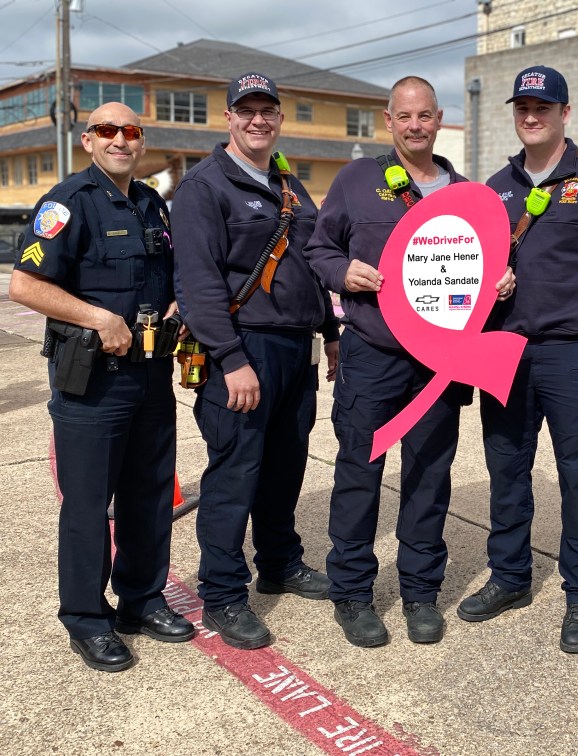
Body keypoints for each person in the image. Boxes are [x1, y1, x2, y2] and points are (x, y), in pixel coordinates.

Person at [304, 76, 513, 647]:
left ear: (438, 119)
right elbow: (319, 248)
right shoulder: (356, 180)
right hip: (373, 355)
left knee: (429, 476)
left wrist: (502, 281)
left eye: (424, 116)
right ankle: (352, 593)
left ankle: (421, 592)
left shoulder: (467, 194)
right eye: (404, 116)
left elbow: (488, 265)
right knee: (359, 473)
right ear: (388, 121)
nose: (415, 126)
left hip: (440, 363)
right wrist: (341, 272)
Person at [455, 65, 578, 654]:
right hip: (506, 353)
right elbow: (473, 271)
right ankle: (510, 576)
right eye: (523, 108)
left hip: (574, 354)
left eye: (543, 107)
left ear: (565, 113)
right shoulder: (495, 188)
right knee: (507, 470)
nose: (531, 117)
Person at [9, 103, 195, 672]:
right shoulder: (67, 202)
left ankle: (142, 599)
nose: (120, 140)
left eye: (130, 132)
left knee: (149, 495)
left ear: (141, 143)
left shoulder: (151, 203)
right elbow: (25, 285)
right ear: (89, 140)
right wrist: (99, 318)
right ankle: (87, 619)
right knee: (89, 506)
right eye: (107, 130)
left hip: (151, 376)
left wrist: (176, 306)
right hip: (92, 383)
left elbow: (165, 274)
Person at [171, 72, 339, 650]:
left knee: (285, 466)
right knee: (234, 473)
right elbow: (197, 283)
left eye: (268, 110)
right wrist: (230, 358)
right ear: (229, 119)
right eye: (247, 111)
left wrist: (331, 332)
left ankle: (279, 562)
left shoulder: (288, 184)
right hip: (244, 349)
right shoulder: (204, 186)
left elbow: (311, 263)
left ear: (280, 119)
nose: (258, 120)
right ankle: (221, 593)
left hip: (296, 348)